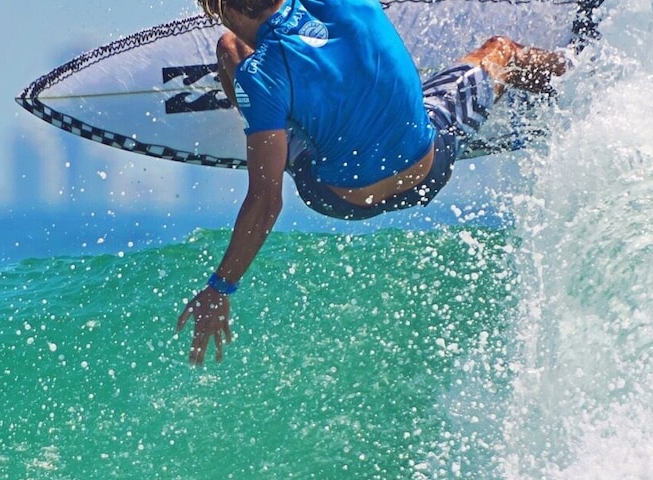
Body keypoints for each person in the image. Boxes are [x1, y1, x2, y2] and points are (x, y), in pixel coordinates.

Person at [175, 0, 569, 364]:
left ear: (225, 11)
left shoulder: (258, 75)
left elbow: (265, 201)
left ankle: (268, 128)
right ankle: (578, 75)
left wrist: (220, 288)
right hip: (428, 170)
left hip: (337, 199)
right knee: (501, 52)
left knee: (230, 50)